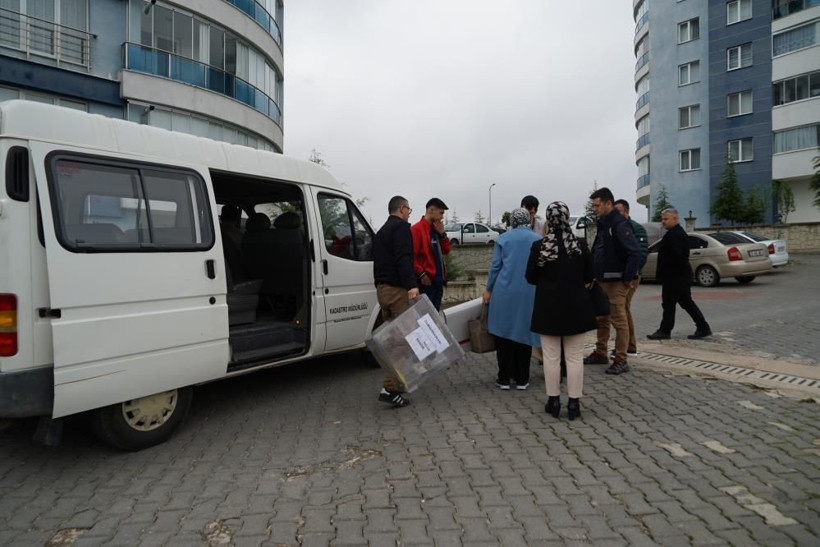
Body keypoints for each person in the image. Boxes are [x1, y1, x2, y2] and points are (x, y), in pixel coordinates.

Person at [526, 202, 596, 420]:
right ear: (567, 218)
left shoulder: (540, 246)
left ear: (548, 218)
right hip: (576, 307)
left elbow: (530, 277)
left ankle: (553, 401)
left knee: (551, 357)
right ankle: (574, 404)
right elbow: (589, 276)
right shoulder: (580, 244)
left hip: (548, 308)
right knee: (575, 358)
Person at [482, 208, 542, 390]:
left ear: (513, 221)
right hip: (529, 292)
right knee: (524, 332)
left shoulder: (503, 238)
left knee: (503, 332)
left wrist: (488, 289)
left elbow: (495, 267)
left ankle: (505, 377)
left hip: (504, 291)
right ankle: (523, 378)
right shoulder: (538, 239)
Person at [583, 187, 640, 375]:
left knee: (619, 320)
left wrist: (627, 278)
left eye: (598, 205)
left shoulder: (619, 224)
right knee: (601, 317)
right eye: (594, 206)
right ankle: (601, 352)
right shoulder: (604, 223)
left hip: (616, 281)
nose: (595, 209)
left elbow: (634, 252)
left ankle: (621, 359)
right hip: (602, 279)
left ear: (609, 203)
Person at [373, 196, 419, 407]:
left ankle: (397, 385)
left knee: (392, 342)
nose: (409, 213)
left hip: (383, 291)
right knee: (405, 340)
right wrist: (411, 285)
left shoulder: (381, 231)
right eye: (409, 209)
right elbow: (403, 257)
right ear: (401, 208)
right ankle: (390, 388)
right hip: (397, 290)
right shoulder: (401, 228)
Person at [647, 208, 712, 341]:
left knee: (669, 304)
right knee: (686, 303)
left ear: (675, 219)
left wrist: (668, 274)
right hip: (678, 276)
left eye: (666, 219)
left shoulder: (675, 235)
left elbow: (676, 257)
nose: (663, 222)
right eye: (662, 219)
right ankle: (703, 327)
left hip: (675, 277)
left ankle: (665, 330)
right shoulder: (673, 233)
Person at [613, 199, 648, 357]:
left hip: (631, 277)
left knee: (623, 310)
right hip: (618, 276)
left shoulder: (636, 228)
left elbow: (640, 254)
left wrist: (631, 275)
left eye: (619, 211)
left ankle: (628, 346)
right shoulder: (615, 228)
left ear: (627, 212)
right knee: (621, 310)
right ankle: (627, 345)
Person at [410, 198, 451, 311]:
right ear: (431, 210)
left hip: (438, 281)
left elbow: (446, 250)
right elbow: (411, 257)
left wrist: (443, 234)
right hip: (426, 282)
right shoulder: (416, 229)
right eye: (441, 213)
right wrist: (422, 274)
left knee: (435, 314)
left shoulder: (437, 229)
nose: (442, 217)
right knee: (425, 316)